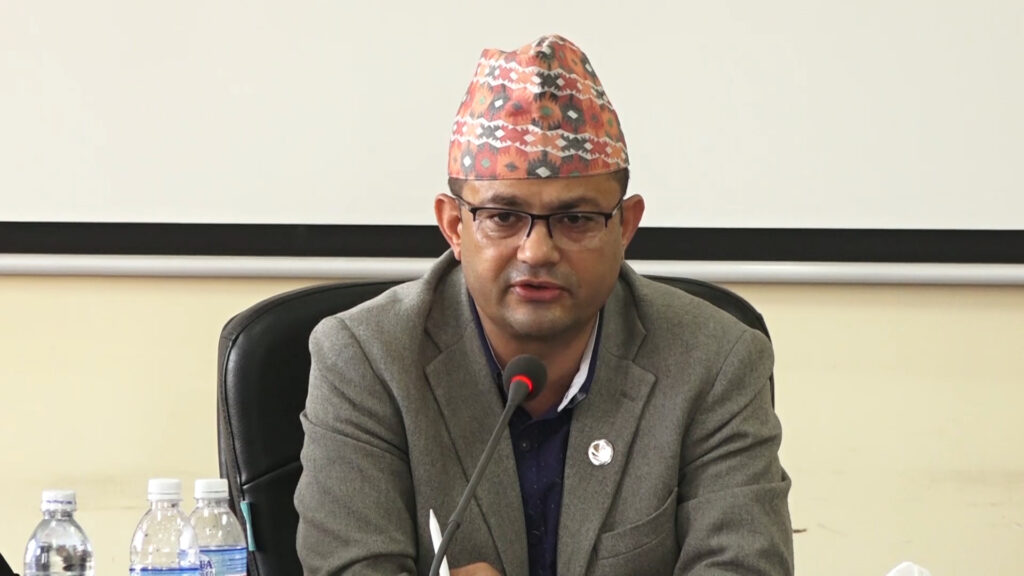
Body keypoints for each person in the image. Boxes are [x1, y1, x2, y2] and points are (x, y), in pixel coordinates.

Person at [295, 34, 793, 575]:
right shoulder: (367, 359)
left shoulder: (715, 360)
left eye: (575, 219)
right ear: (454, 226)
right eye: (503, 217)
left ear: (625, 227)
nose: (536, 252)